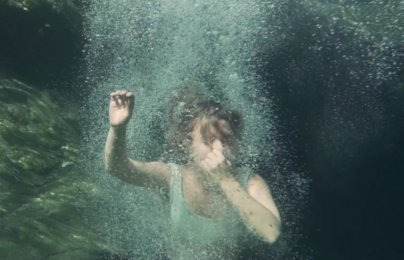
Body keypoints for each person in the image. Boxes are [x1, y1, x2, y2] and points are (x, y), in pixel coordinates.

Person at [104, 87, 281, 260]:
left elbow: (271, 233)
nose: (219, 148)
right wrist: (118, 129)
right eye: (209, 140)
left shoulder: (249, 181)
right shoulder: (172, 176)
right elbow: (118, 168)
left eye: (227, 139)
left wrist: (226, 180)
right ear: (188, 143)